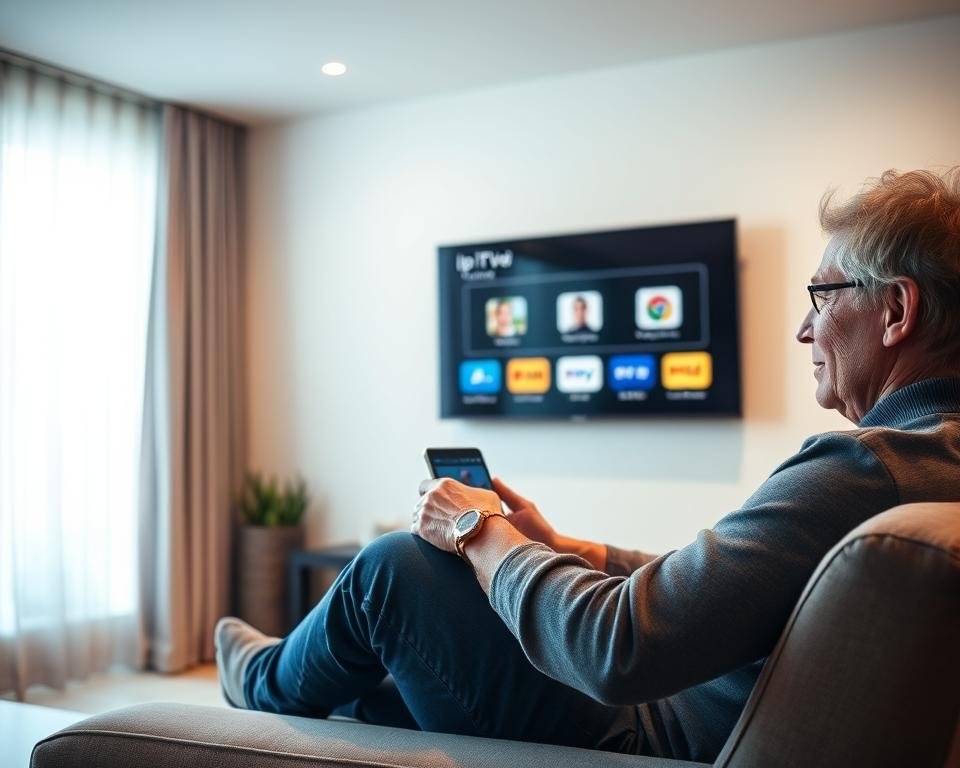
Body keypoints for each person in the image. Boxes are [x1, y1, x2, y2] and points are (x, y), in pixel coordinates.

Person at [216, 168, 960, 763]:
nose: (802, 328)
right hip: (675, 703)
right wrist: (567, 549)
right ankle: (297, 679)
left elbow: (618, 649)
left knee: (394, 569)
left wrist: (478, 528)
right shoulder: (932, 460)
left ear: (896, 311)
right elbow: (721, 591)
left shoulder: (866, 469)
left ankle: (261, 682)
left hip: (644, 732)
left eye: (822, 296)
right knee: (384, 682)